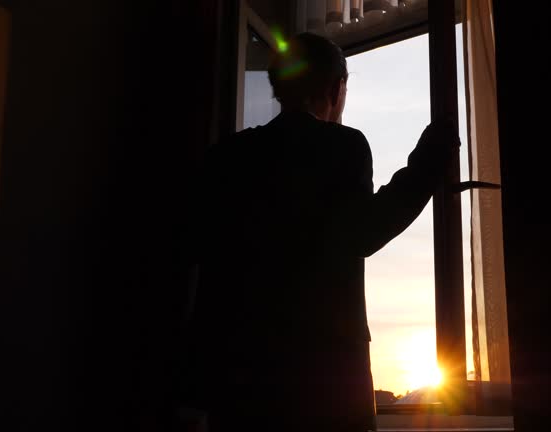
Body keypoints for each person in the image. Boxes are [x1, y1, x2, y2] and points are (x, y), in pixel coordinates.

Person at [181, 32, 459, 432]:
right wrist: (429, 163)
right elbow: (365, 230)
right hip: (323, 371)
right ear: (336, 88)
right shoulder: (342, 146)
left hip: (237, 369)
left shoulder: (227, 155)